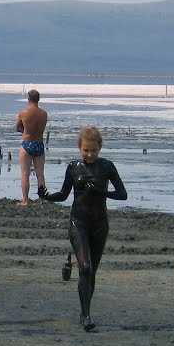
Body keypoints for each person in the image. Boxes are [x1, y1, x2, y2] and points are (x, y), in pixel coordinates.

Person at [40, 126, 127, 331]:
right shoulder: (73, 167)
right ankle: (87, 315)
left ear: (100, 148)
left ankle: (84, 311)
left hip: (99, 224)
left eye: (93, 151)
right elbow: (63, 194)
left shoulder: (107, 167)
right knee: (85, 267)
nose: (89, 155)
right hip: (78, 222)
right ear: (79, 147)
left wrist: (100, 191)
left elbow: (123, 194)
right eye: (85, 150)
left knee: (91, 272)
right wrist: (46, 195)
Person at [16, 89, 48, 205]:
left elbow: (18, 128)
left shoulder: (23, 113)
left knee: (25, 173)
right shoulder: (44, 114)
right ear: (38, 99)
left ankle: (25, 200)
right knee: (40, 173)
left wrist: (26, 131)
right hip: (39, 143)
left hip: (27, 143)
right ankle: (42, 199)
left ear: (28, 99)